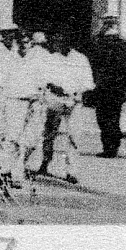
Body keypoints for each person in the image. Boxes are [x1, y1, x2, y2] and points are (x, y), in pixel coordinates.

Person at [36, 32, 93, 183]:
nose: (59, 44)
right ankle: (45, 162)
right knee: (49, 133)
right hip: (55, 100)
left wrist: (76, 93)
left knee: (74, 136)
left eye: (63, 41)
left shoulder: (80, 59)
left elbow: (88, 83)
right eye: (57, 41)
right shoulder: (52, 58)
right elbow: (44, 79)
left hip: (74, 102)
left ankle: (71, 171)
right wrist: (53, 87)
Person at [0, 31, 52, 186]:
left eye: (27, 42)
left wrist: (41, 98)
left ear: (31, 44)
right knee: (13, 138)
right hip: (14, 101)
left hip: (34, 102)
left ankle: (15, 167)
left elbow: (44, 82)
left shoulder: (37, 60)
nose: (24, 45)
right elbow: (1, 83)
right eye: (20, 42)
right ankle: (12, 172)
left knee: (31, 141)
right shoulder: (9, 59)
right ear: (16, 42)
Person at [88, 15, 126, 158]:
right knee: (114, 116)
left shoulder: (98, 43)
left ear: (105, 25)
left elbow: (92, 67)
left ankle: (109, 147)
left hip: (102, 87)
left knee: (103, 117)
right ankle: (113, 146)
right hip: (118, 89)